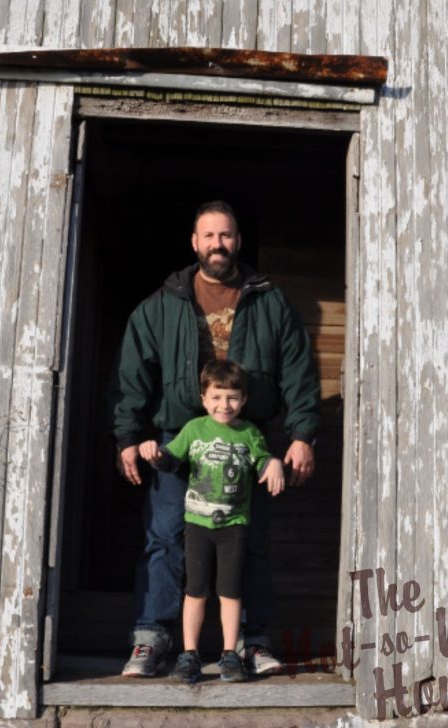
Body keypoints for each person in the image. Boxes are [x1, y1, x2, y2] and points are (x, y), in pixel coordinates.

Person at [113, 199, 320, 678]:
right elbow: (132, 376)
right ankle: (152, 639)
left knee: (248, 542)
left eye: (225, 236)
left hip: (247, 441)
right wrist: (128, 436)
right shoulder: (162, 305)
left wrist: (302, 433)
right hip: (177, 441)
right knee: (165, 539)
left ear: (238, 241)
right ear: (194, 243)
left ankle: (250, 641)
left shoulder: (270, 302)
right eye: (209, 236)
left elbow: (298, 372)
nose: (218, 245)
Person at [138, 360, 286, 683]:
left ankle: (230, 655)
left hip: (233, 526)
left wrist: (272, 463)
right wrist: (153, 452)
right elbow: (170, 458)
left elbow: (262, 462)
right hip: (198, 525)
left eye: (232, 397)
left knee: (230, 592)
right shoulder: (193, 429)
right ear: (204, 398)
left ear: (244, 399)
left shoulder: (249, 433)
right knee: (196, 590)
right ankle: (189, 654)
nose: (225, 405)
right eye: (217, 397)